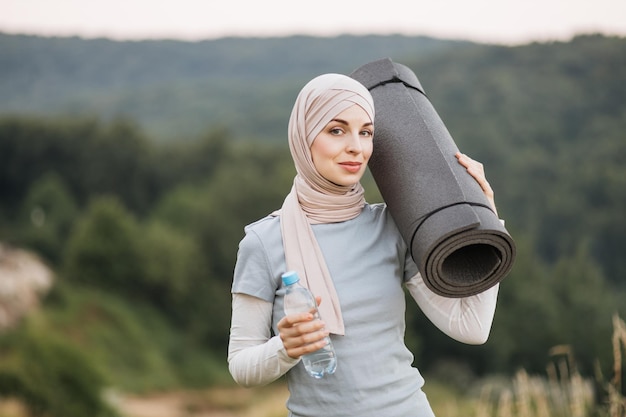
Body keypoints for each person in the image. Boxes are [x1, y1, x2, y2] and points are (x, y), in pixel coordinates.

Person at [228, 73, 500, 417]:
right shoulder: (263, 242)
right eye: (336, 130)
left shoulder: (394, 225)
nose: (356, 146)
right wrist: (285, 348)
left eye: (366, 132)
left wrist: (489, 219)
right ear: (304, 136)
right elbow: (241, 366)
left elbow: (472, 327)